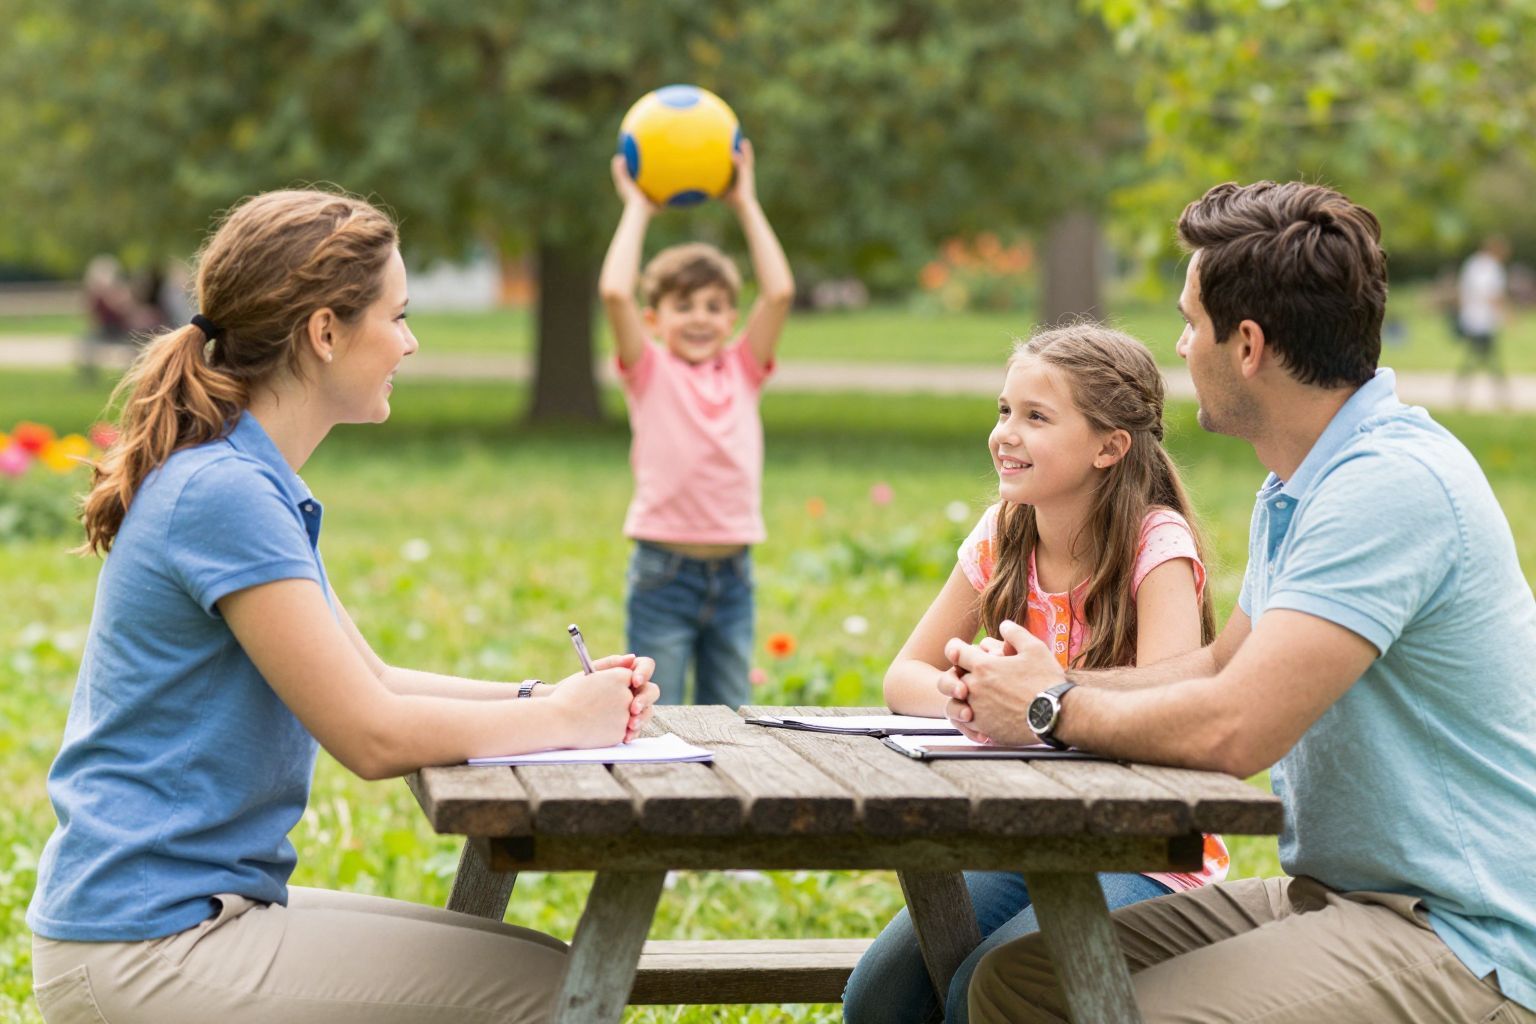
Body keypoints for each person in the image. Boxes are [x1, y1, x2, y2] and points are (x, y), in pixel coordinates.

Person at [27, 188, 661, 1024]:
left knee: (552, 968)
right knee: (560, 993)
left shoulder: (246, 478)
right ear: (324, 333)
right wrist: (563, 722)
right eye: (396, 316)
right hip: (146, 947)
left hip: (178, 919)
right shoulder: (224, 492)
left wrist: (546, 700)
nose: (410, 341)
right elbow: (372, 735)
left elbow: (376, 679)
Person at [941, 182, 1536, 1023]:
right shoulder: (1301, 481)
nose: (1181, 347)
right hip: (1337, 897)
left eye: (1191, 323)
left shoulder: (1389, 487)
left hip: (1464, 938)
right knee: (1020, 985)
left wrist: (1048, 705)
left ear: (1248, 343)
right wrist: (1041, 679)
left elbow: (1235, 729)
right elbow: (1222, 664)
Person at [843, 324, 1228, 1023]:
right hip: (1028, 836)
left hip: (1144, 853)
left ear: (1109, 446)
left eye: (1036, 417)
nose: (1006, 434)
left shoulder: (1154, 545)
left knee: (981, 991)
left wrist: (1045, 702)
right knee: (880, 998)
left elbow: (1175, 700)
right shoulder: (1002, 534)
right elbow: (906, 673)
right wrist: (963, 695)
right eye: (1003, 411)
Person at [597, 140, 795, 708]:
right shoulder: (648, 371)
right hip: (664, 576)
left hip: (734, 575)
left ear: (732, 319)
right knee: (658, 717)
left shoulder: (743, 368)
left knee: (730, 718)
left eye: (713, 306)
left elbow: (779, 291)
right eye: (684, 307)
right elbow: (615, 290)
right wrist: (637, 205)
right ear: (655, 319)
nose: (700, 318)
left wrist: (745, 202)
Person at [1455, 235, 1513, 409]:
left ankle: (1464, 390)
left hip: (1471, 318)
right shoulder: (1492, 268)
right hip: (1483, 320)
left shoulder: (1473, 264)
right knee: (1487, 357)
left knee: (1479, 356)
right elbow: (1493, 294)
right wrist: (1507, 314)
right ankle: (1501, 393)